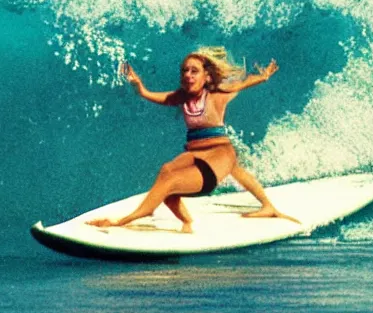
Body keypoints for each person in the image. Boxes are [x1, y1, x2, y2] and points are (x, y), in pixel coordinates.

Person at [87, 46, 299, 233]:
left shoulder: (217, 94)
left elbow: (242, 84)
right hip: (196, 152)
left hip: (219, 152)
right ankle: (187, 221)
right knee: (167, 171)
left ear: (207, 76)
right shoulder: (181, 97)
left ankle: (129, 218)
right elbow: (150, 95)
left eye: (194, 71)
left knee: (173, 182)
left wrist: (263, 77)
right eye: (184, 70)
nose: (188, 75)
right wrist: (139, 86)